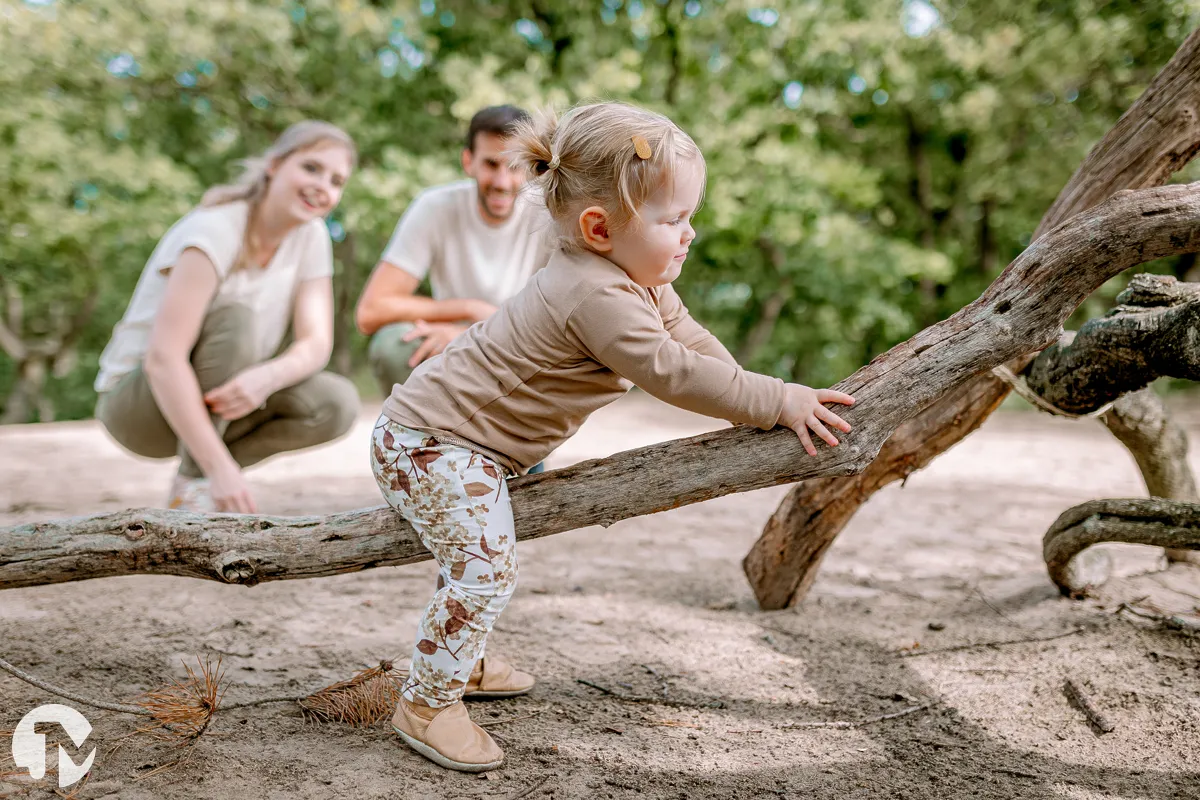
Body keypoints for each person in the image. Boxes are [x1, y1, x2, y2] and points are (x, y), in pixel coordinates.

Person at [368, 102, 857, 772]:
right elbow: (673, 372)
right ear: (599, 227)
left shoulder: (638, 277)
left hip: (476, 446)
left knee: (480, 549)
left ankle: (467, 656)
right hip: (432, 444)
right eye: (673, 220)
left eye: (689, 217)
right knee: (485, 566)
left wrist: (754, 388)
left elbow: (688, 340)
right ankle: (426, 703)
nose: (689, 234)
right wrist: (773, 400)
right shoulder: (593, 293)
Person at [94, 121, 360, 514]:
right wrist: (217, 468)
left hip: (220, 402)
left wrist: (266, 377)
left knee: (336, 403)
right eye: (311, 168)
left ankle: (203, 474)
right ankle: (198, 481)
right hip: (140, 407)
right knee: (237, 320)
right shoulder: (213, 231)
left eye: (337, 180)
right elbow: (163, 360)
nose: (324, 186)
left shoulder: (312, 235)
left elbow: (316, 343)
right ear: (273, 165)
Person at [354, 105, 553, 397]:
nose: (502, 182)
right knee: (392, 346)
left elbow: (560, 319)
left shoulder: (549, 211)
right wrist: (468, 309)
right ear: (468, 161)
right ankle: (419, 440)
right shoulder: (435, 207)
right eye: (490, 164)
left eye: (513, 166)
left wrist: (472, 333)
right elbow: (370, 312)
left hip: (523, 349)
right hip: (454, 352)